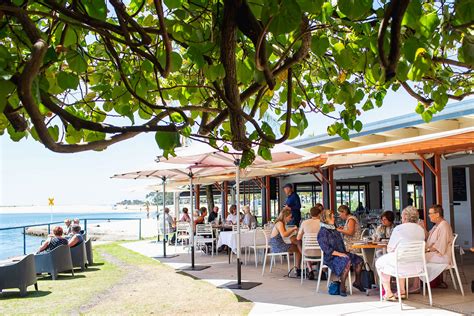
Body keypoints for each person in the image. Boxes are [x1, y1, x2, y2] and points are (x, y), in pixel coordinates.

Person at [375, 206, 425, 301]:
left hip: (402, 265)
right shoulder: (420, 229)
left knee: (380, 263)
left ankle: (388, 293)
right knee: (399, 258)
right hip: (418, 266)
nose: (401, 218)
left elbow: (390, 249)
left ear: (405, 217)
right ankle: (401, 291)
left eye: (402, 216)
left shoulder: (399, 229)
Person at [317, 209, 364, 296]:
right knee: (346, 260)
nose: (334, 218)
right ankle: (342, 285)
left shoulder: (334, 229)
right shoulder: (323, 232)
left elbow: (340, 243)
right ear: (326, 219)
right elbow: (326, 249)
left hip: (341, 253)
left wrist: (344, 252)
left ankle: (357, 282)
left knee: (359, 260)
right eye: (331, 217)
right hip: (331, 257)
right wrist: (340, 254)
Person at [425, 204, 454, 284]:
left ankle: (416, 286)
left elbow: (440, 246)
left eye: (430, 213)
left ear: (437, 214)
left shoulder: (444, 226)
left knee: (418, 258)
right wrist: (422, 227)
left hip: (443, 256)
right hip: (436, 254)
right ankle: (419, 284)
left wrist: (426, 250)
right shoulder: (437, 226)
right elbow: (428, 236)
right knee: (417, 257)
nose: (428, 215)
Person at [269, 208, 302, 276]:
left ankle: (298, 268)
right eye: (289, 217)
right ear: (285, 216)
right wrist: (293, 229)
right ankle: (299, 268)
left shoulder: (280, 223)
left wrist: (292, 231)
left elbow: (285, 235)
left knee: (297, 246)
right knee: (298, 249)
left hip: (276, 244)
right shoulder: (280, 223)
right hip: (278, 246)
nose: (290, 219)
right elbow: (284, 234)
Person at [296, 203, 323, 279]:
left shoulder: (304, 223)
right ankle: (323, 271)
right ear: (319, 214)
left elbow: (298, 238)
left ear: (310, 214)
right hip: (321, 252)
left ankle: (310, 270)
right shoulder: (323, 223)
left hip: (308, 252)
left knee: (300, 243)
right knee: (325, 244)